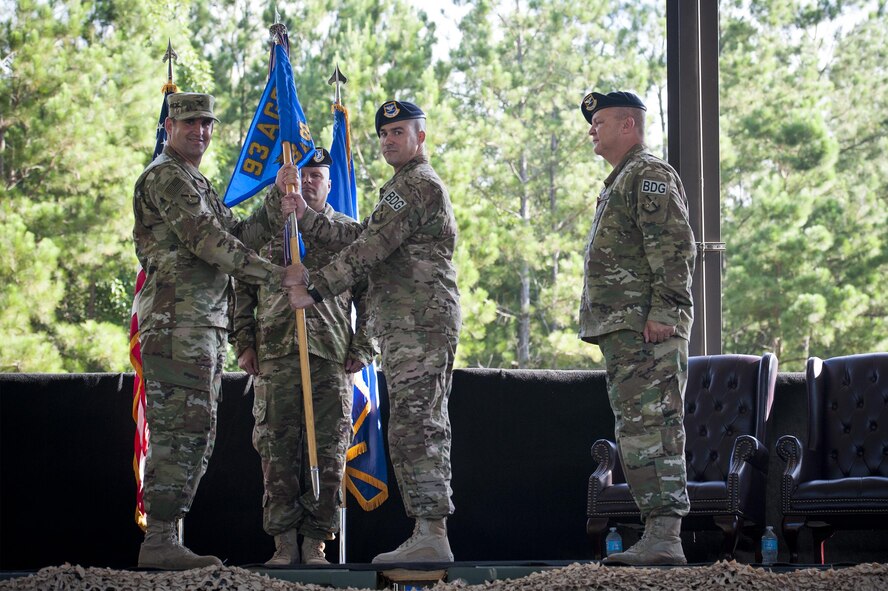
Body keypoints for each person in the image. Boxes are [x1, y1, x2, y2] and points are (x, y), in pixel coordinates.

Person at [282, 100, 461, 563]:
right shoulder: (402, 187)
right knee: (411, 425)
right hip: (410, 324)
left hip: (420, 322)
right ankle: (427, 530)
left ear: (420, 136)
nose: (388, 140)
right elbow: (366, 238)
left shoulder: (416, 185)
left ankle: (431, 532)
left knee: (418, 426)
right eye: (383, 134)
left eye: (398, 132)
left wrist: (314, 289)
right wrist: (306, 217)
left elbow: (371, 250)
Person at [133, 92, 303, 570]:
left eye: (207, 124)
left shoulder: (196, 181)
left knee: (197, 430)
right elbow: (209, 244)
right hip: (176, 323)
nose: (200, 132)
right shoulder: (166, 177)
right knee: (178, 430)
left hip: (202, 324)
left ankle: (166, 540)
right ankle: (160, 539)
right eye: (190, 123)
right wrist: (276, 277)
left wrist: (277, 203)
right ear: (168, 126)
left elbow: (237, 235)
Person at [230, 148, 375, 566]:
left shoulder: (348, 233)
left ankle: (316, 543)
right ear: (286, 179)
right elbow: (241, 289)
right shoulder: (266, 232)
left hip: (330, 357)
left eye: (317, 175)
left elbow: (371, 298)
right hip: (275, 356)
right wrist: (243, 343)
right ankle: (282, 544)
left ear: (331, 183)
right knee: (276, 452)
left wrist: (362, 347)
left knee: (327, 452)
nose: (307, 181)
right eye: (301, 174)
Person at [577, 91, 696, 566]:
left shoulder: (648, 174)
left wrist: (665, 312)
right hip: (625, 330)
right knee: (636, 429)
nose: (592, 129)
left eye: (600, 121)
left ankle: (665, 536)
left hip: (648, 329)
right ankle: (657, 534)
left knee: (655, 428)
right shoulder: (622, 179)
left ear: (629, 125)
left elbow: (675, 246)